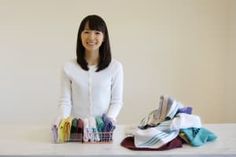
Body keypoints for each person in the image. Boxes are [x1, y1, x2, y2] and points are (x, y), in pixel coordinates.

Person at [58, 15, 124, 123]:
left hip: (104, 130)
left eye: (97, 32)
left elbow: (116, 102)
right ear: (80, 36)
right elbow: (65, 102)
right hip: (78, 130)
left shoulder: (115, 67)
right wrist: (63, 124)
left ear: (104, 37)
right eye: (86, 32)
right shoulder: (68, 67)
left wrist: (107, 123)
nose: (91, 37)